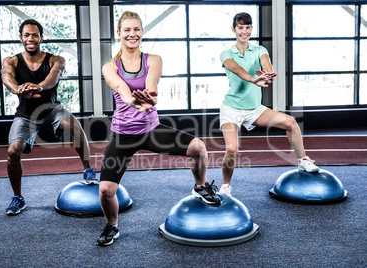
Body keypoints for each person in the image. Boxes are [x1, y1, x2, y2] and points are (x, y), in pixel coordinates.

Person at [97, 11, 221, 246]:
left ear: (142, 32)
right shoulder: (109, 67)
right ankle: (111, 226)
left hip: (152, 130)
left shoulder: (153, 59)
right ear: (119, 33)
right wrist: (133, 101)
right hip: (123, 135)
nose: (132, 34)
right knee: (105, 191)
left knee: (198, 147)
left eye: (136, 30)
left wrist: (151, 97)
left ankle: (200, 186)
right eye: (127, 30)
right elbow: (121, 89)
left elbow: (151, 81)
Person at [1, 19, 97, 215]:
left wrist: (40, 86)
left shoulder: (56, 59)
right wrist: (18, 89)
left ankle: (88, 170)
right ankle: (18, 197)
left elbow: (54, 76)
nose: (31, 38)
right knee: (13, 151)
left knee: (73, 123)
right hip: (26, 115)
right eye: (27, 35)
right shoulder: (11, 60)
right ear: (21, 38)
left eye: (35, 35)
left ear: (41, 37)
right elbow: (6, 77)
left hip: (51, 110)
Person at [219, 12, 319, 195]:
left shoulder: (259, 50)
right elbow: (234, 68)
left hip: (254, 109)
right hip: (231, 109)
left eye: (247, 27)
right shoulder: (226, 53)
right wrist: (252, 79)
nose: (244, 31)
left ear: (251, 29)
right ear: (233, 29)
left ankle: (303, 160)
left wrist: (268, 74)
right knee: (232, 148)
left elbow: (267, 64)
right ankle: (226, 185)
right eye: (240, 27)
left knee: (291, 122)